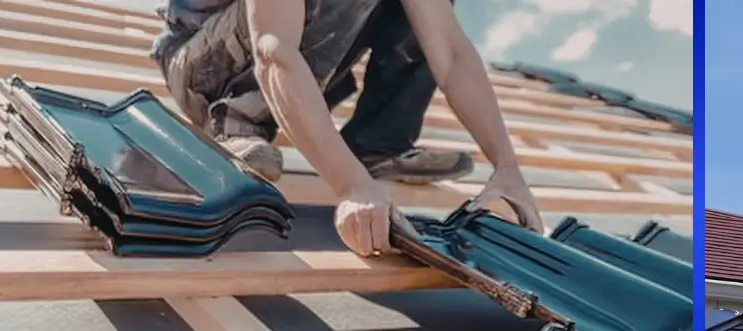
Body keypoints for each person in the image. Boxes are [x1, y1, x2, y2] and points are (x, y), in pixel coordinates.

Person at [150, 0, 546, 256]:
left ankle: (377, 145)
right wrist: (351, 186)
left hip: (298, 60)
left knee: (426, 12)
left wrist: (506, 166)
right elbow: (273, 49)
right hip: (202, 67)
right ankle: (236, 120)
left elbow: (452, 53)